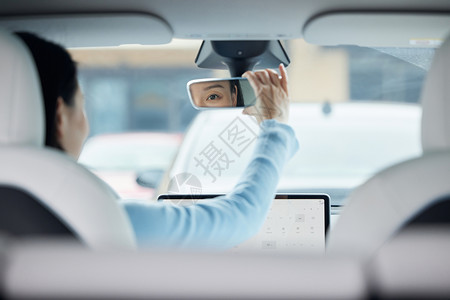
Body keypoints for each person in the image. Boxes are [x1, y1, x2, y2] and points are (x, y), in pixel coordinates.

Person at [16, 32, 298, 249]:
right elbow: (242, 216)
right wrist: (274, 127)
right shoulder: (109, 221)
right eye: (82, 104)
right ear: (60, 116)